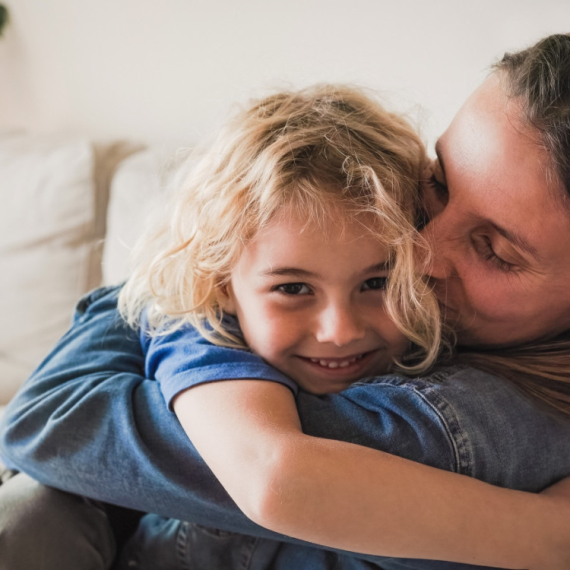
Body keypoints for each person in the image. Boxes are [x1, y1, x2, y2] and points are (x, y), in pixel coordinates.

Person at [2, 34, 570, 570]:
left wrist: (191, 304)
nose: (415, 254)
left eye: (494, 250)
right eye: (440, 183)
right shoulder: (419, 322)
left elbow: (54, 418)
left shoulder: (470, 426)